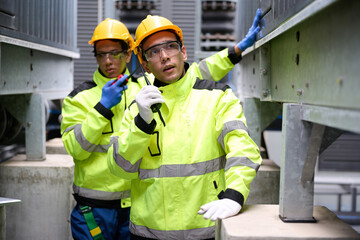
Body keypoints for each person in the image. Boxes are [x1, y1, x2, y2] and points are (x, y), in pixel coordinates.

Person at [107, 10, 264, 240]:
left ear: (183, 52)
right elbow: (119, 168)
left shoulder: (218, 97)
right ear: (146, 64)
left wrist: (234, 194)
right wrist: (141, 124)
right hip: (148, 234)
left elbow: (243, 150)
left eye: (170, 46)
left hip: (205, 230)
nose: (164, 56)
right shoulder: (137, 109)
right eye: (153, 52)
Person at [61, 18, 139, 240]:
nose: (107, 61)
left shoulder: (144, 90)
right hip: (93, 211)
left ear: (128, 54)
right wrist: (102, 107)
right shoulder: (78, 99)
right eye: (101, 54)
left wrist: (235, 51)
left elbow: (187, 74)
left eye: (114, 53)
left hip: (137, 207)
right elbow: (75, 149)